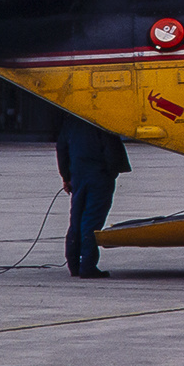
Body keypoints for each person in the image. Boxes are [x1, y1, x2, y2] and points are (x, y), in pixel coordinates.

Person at [57, 114, 131, 279]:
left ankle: (74, 265)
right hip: (98, 176)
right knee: (92, 219)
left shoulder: (71, 119)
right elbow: (111, 149)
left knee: (76, 219)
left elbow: (61, 147)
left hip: (78, 175)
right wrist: (111, 173)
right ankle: (88, 266)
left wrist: (66, 177)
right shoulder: (100, 119)